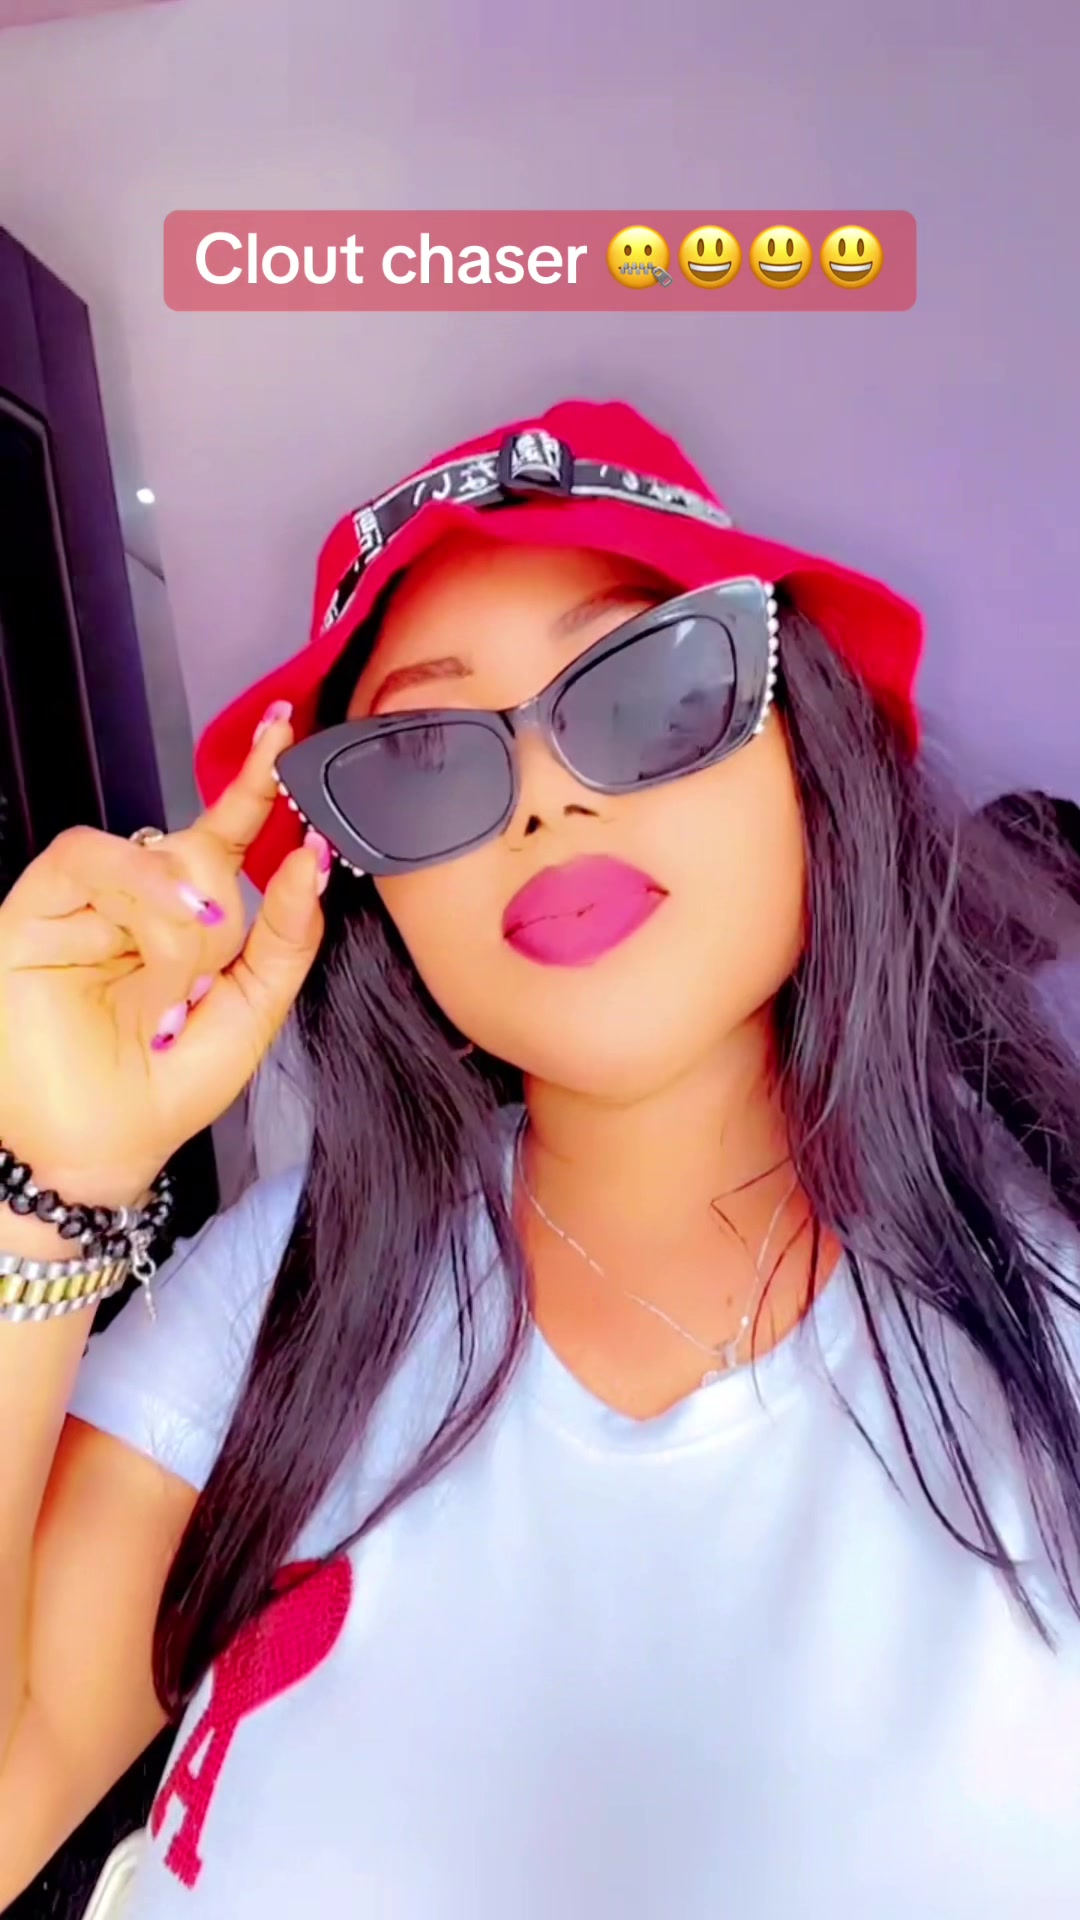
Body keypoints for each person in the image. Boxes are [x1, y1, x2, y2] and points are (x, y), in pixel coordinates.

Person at [0, 398, 1079, 1920]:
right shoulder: (282, 1290)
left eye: (650, 690)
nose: (546, 797)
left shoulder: (1049, 1310)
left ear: (811, 752)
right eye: (425, 760)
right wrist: (49, 1186)